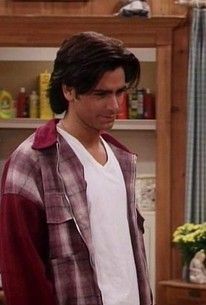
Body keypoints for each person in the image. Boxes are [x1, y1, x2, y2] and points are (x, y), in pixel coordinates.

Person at [0, 31, 152, 305]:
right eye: (101, 94)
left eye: (120, 92)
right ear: (68, 90)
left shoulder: (122, 158)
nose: (114, 105)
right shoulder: (30, 163)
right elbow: (21, 275)